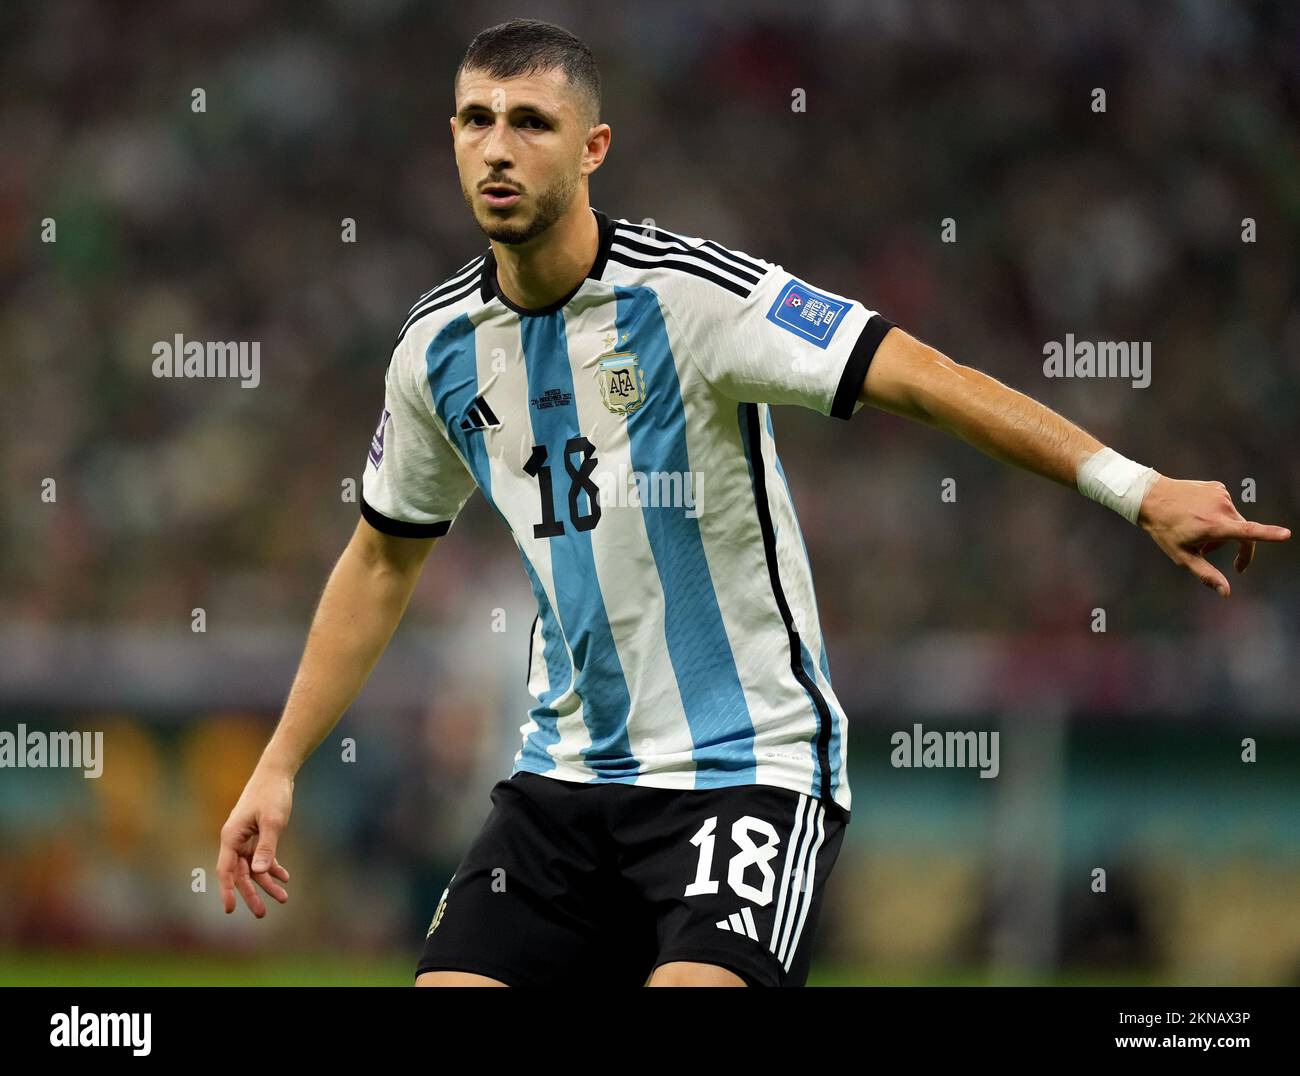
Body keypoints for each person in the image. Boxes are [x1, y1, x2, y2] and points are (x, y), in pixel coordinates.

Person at [216, 19, 1290, 987]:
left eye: (533, 122)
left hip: (744, 775)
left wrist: (1132, 486)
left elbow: (914, 370)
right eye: (478, 119)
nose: (499, 147)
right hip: (559, 780)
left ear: (593, 149)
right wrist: (278, 762)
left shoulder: (694, 297)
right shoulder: (435, 349)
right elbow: (381, 556)